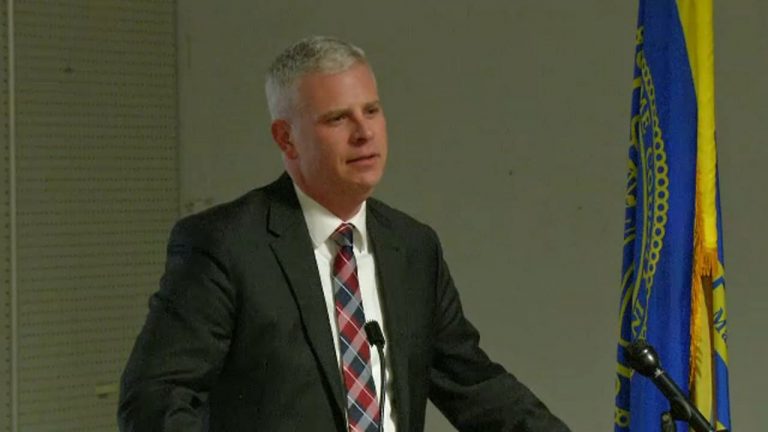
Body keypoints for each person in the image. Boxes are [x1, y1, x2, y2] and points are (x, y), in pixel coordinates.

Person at [118, 36, 570, 432]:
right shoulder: (226, 245)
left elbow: (475, 385)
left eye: (371, 110)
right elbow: (155, 400)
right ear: (286, 139)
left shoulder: (413, 247)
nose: (364, 132)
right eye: (337, 119)